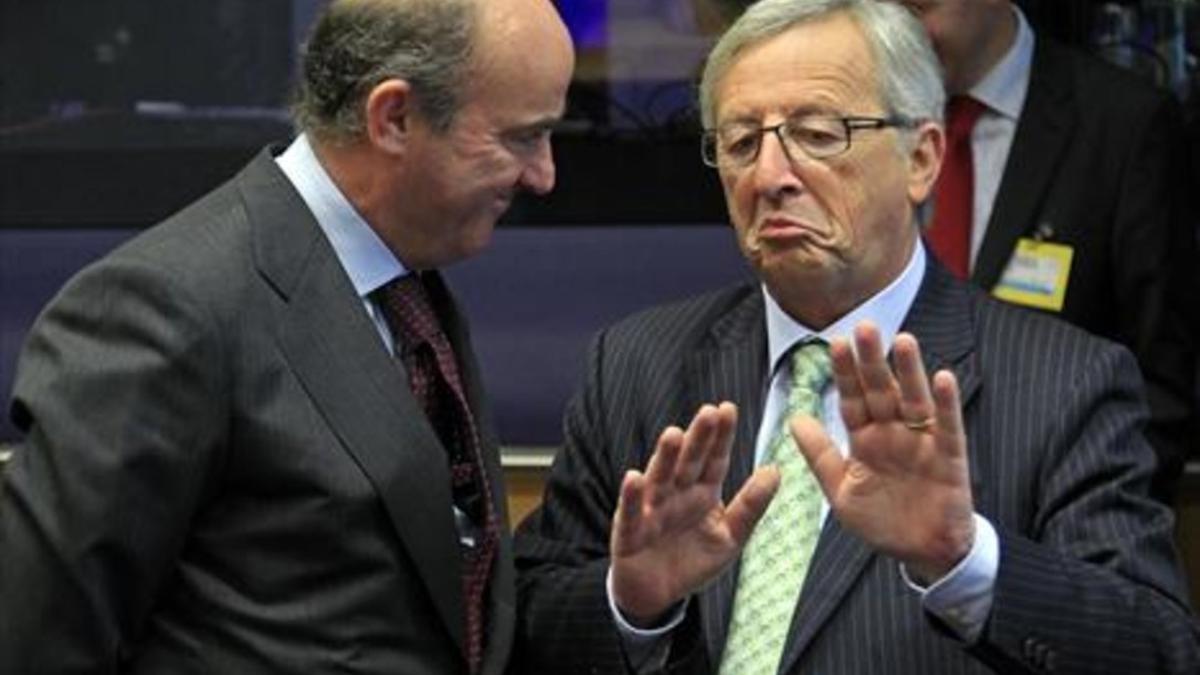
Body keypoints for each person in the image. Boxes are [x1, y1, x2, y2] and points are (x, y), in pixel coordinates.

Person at [512, 0, 1199, 673]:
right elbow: (528, 622)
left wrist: (966, 563)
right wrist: (631, 603)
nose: (770, 177)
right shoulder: (635, 365)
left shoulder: (1064, 383)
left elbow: (1158, 648)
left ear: (921, 159)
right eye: (742, 142)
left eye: (819, 133)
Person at [0, 0, 573, 672]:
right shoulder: (164, 308)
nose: (544, 174)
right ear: (394, 118)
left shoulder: (409, 282)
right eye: (521, 138)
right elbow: (37, 640)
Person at [901, 0, 1197, 502]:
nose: (901, 30)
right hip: (878, 523)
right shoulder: (868, 118)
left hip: (1058, 527)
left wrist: (1057, 506)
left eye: (919, 7)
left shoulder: (1122, 125)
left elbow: (1165, 386)